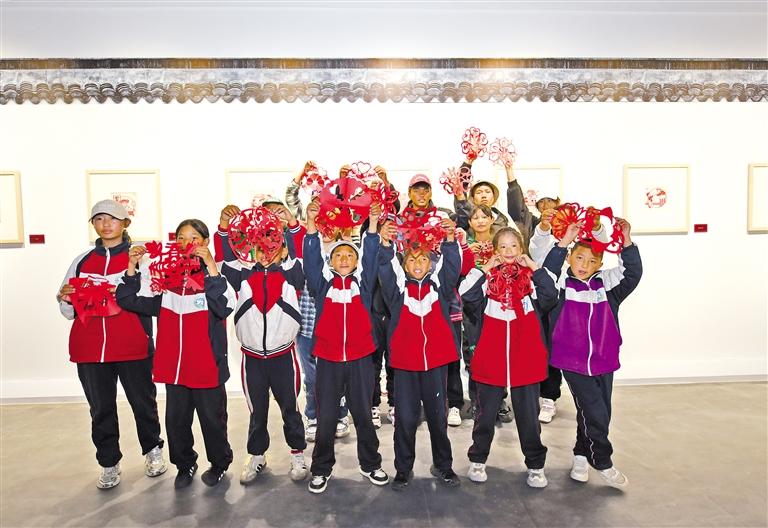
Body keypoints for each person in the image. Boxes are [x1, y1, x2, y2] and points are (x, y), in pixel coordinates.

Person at [116, 219, 236, 488]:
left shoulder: (217, 279)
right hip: (175, 367)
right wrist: (132, 267)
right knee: (176, 421)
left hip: (207, 367)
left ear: (205, 242)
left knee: (212, 421)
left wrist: (212, 266)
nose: (187, 243)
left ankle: (219, 464)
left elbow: (224, 307)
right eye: (181, 237)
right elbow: (128, 300)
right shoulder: (165, 282)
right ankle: (185, 463)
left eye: (194, 237)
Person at [56, 199, 166, 490]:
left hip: (132, 344)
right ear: (93, 224)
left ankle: (153, 450)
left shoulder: (141, 258)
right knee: (100, 408)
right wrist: (65, 298)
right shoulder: (81, 261)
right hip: (89, 348)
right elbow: (68, 311)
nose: (105, 224)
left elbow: (153, 299)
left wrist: (121, 289)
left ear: (125, 223)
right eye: (99, 218)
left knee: (143, 402)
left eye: (112, 218)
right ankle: (108, 462)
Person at [542, 219, 642, 490]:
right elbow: (546, 273)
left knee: (596, 412)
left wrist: (626, 239)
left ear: (599, 264)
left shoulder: (606, 284)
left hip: (604, 359)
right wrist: (565, 241)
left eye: (592, 260)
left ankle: (580, 456)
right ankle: (602, 462)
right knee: (594, 411)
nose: (584, 265)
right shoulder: (561, 283)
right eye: (579, 257)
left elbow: (632, 273)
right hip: (571, 360)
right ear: (570, 257)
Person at [217, 204, 310, 486]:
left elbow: (299, 252)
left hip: (283, 358)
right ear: (251, 250)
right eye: (259, 247)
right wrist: (224, 229)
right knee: (257, 411)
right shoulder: (242, 275)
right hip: (252, 359)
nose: (266, 252)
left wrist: (292, 224)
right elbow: (225, 259)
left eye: (273, 246)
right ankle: (257, 455)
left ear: (282, 249)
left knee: (290, 408)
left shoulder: (291, 275)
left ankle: (297, 453)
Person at [459, 227, 557, 488]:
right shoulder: (487, 279)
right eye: (502, 246)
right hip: (491, 356)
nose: (508, 251)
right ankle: (478, 459)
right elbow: (467, 296)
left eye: (513, 245)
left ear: (521, 249)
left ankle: (535, 465)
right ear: (495, 251)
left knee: (529, 415)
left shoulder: (531, 280)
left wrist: (534, 267)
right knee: (485, 414)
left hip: (526, 356)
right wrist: (485, 268)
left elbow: (550, 296)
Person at [303, 200, 389, 493]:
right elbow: (311, 260)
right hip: (328, 360)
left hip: (360, 359)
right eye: (337, 254)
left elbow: (371, 255)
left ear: (356, 261)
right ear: (331, 261)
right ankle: (320, 469)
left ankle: (371, 464)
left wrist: (373, 223)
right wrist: (311, 223)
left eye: (349, 254)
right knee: (326, 418)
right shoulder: (322, 285)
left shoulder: (362, 285)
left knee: (363, 415)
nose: (343, 258)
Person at [377, 217, 463, 491]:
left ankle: (443, 466)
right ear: (404, 265)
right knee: (405, 419)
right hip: (405, 365)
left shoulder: (439, 285)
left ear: (430, 263)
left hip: (436, 364)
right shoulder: (397, 291)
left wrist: (449, 240)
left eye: (423, 259)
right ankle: (403, 469)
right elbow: (385, 269)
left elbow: (452, 267)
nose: (417, 263)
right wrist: (386, 243)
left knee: (438, 418)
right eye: (412, 260)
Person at [285, 163, 352, 441]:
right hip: (307, 325)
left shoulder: (344, 249)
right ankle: (312, 415)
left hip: (336, 325)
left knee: (338, 374)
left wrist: (346, 182)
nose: (325, 221)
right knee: (311, 378)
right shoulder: (305, 243)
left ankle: (341, 414)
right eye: (317, 213)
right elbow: (291, 199)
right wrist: (301, 175)